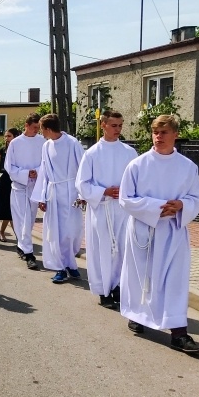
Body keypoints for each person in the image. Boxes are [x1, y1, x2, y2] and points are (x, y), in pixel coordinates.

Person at [119, 114, 199, 353]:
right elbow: (126, 198)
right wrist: (157, 208)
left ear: (175, 135)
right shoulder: (137, 165)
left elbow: (196, 197)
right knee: (141, 277)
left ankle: (179, 333)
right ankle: (137, 315)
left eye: (164, 132)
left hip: (173, 231)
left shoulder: (188, 167)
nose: (159, 137)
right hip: (143, 231)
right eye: (156, 132)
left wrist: (181, 206)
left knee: (174, 281)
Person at [75, 112, 137, 308]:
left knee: (122, 248)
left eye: (120, 125)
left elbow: (137, 178)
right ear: (103, 125)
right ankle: (103, 290)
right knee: (102, 248)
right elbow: (82, 183)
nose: (118, 129)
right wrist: (104, 191)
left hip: (122, 209)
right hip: (101, 208)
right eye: (113, 125)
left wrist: (128, 193)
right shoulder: (92, 153)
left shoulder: (129, 152)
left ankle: (118, 285)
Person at [31, 114, 85, 284]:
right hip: (53, 193)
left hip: (71, 192)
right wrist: (42, 196)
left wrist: (82, 194)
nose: (41, 132)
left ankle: (70, 263)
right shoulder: (46, 146)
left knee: (72, 231)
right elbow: (45, 172)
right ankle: (60, 267)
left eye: (42, 129)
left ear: (47, 128)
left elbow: (83, 168)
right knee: (55, 232)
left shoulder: (72, 143)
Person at [5, 113, 45, 270]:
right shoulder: (15, 143)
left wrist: (36, 171)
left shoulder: (42, 141)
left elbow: (46, 162)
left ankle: (22, 246)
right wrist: (26, 173)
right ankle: (29, 253)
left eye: (38, 128)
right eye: (34, 127)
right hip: (20, 185)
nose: (37, 130)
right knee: (22, 218)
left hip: (35, 185)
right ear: (26, 126)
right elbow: (9, 166)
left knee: (31, 218)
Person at [0, 128, 20, 242]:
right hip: (5, 180)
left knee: (15, 209)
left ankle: (18, 236)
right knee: (7, 209)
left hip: (17, 180)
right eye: (6, 136)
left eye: (9, 136)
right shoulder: (3, 150)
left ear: (16, 136)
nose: (6, 138)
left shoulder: (20, 150)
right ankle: (3, 232)